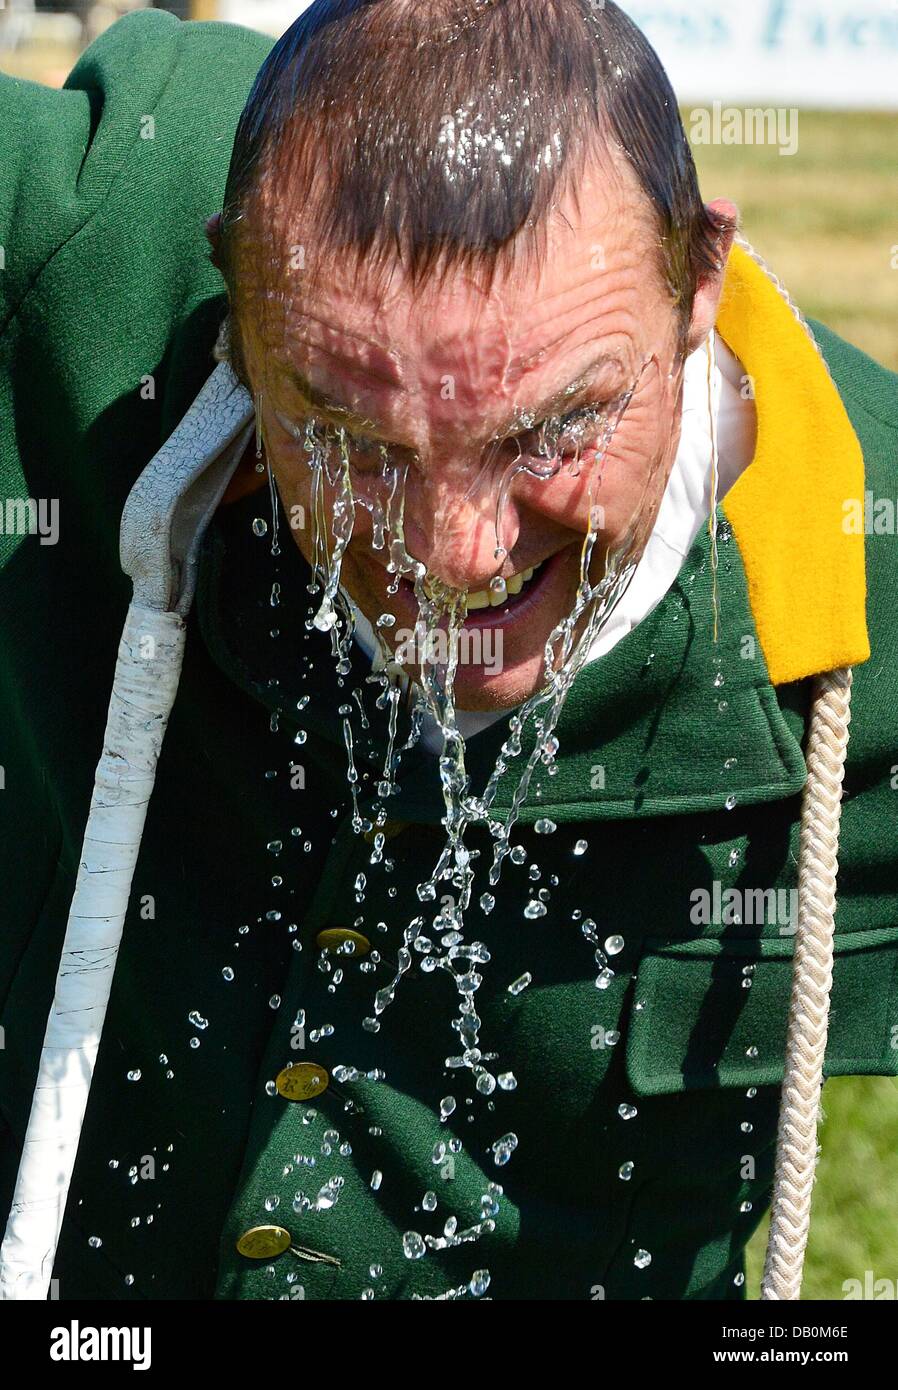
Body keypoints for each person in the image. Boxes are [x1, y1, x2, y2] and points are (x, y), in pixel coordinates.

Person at [1, 0, 896, 1303]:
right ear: (237, 302)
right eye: (349, 434)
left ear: (698, 284)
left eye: (553, 428)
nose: (456, 553)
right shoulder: (84, 245)